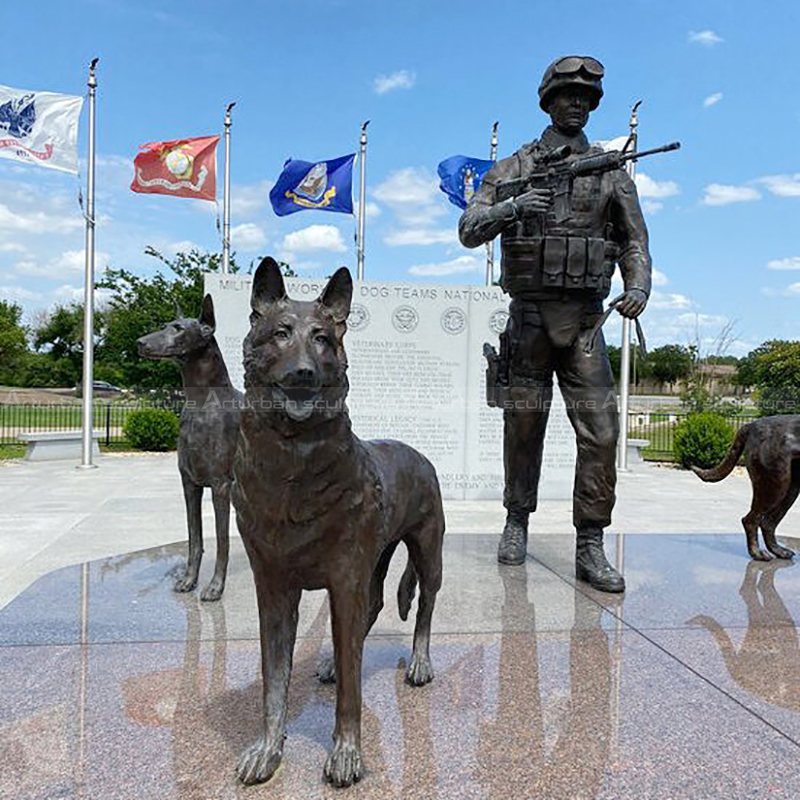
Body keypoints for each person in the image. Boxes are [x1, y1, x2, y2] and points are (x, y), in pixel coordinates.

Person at [459, 55, 652, 593]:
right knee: (523, 429)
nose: (577, 105)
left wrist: (637, 287)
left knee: (602, 433)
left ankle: (590, 541)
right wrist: (513, 208)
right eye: (567, 96)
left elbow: (635, 241)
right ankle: (516, 520)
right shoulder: (516, 167)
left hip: (587, 322)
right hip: (530, 320)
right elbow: (469, 228)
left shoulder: (611, 173)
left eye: (585, 99)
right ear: (548, 102)